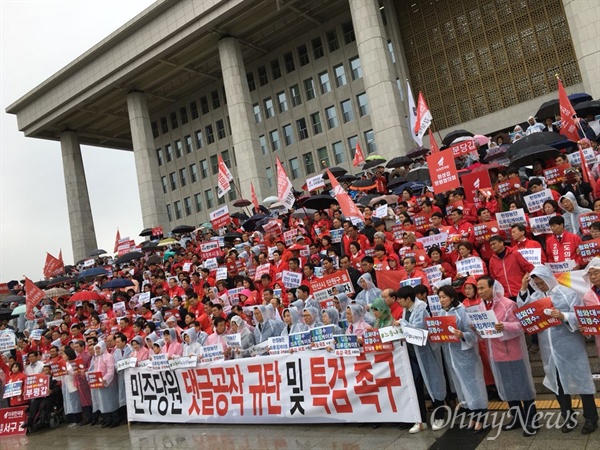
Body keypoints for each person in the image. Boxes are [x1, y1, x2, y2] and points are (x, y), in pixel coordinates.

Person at [518, 266, 598, 434]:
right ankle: (567, 417)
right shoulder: (535, 297)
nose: (540, 286)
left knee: (582, 381)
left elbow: (580, 316)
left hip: (570, 346)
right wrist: (524, 288)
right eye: (537, 283)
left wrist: (563, 316)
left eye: (542, 282)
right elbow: (524, 313)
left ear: (549, 278)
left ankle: (591, 418)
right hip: (548, 348)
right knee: (558, 383)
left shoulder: (567, 293)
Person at [477, 276, 538, 436]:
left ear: (492, 288)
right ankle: (517, 418)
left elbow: (520, 326)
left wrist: (503, 326)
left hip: (513, 354)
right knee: (509, 389)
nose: (480, 291)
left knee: (523, 388)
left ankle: (532, 420)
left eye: (482, 288)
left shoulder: (508, 304)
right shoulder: (482, 308)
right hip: (496, 354)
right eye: (478, 289)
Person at [437, 285, 488, 433]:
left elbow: (473, 334)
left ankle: (481, 418)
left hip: (466, 356)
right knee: (462, 388)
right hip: (451, 356)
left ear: (452, 297)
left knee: (474, 387)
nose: (441, 300)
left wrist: (462, 335)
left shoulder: (462, 312)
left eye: (444, 297)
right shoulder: (441, 312)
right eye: (440, 297)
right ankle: (472, 415)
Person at [396, 286, 447, 433]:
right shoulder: (406, 310)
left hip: (426, 352)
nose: (398, 301)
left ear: (408, 299)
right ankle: (421, 420)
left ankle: (439, 416)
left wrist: (402, 324)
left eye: (400, 299)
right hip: (412, 354)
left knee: (434, 382)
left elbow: (418, 330)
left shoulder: (421, 309)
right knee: (415, 385)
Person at [488, 236, 534, 300]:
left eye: (494, 244)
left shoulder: (515, 254)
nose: (492, 246)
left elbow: (527, 267)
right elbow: (494, 278)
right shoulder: (492, 260)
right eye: (491, 245)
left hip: (521, 290)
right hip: (505, 296)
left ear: (501, 243)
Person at [93, 340, 120, 428]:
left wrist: (105, 379)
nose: (97, 350)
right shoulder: (96, 357)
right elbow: (95, 369)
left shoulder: (109, 357)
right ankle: (107, 419)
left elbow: (110, 370)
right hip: (99, 383)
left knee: (111, 401)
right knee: (103, 402)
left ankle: (115, 419)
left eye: (98, 348)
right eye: (96, 349)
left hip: (108, 383)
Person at [112, 332, 132, 425]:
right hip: (121, 375)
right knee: (123, 395)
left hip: (129, 374)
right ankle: (125, 415)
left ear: (124, 342)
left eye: (119, 342)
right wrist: (118, 367)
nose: (117, 344)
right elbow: (114, 364)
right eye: (116, 342)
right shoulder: (116, 352)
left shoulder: (130, 349)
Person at [61, 346, 83, 427]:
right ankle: (72, 419)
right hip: (67, 385)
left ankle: (78, 419)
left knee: (75, 402)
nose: (63, 356)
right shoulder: (66, 363)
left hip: (74, 385)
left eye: (64, 354)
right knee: (70, 402)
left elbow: (76, 373)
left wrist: (68, 372)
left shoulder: (74, 362)